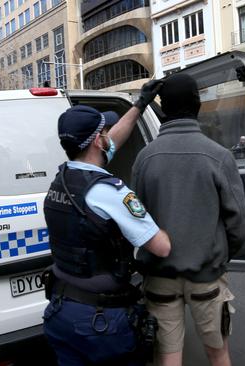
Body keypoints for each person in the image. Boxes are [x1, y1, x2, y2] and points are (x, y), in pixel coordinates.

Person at [42, 81, 172, 366]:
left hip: (61, 312)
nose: (108, 137)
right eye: (104, 132)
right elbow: (161, 247)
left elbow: (109, 143)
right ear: (98, 140)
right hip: (100, 324)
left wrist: (139, 105)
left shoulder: (61, 181)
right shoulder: (109, 192)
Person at [131, 73, 245, 366]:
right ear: (198, 106)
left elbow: (135, 220)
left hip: (159, 278)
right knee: (218, 353)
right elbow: (239, 222)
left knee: (167, 357)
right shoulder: (218, 156)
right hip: (206, 277)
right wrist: (220, 253)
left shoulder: (144, 158)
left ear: (163, 109)